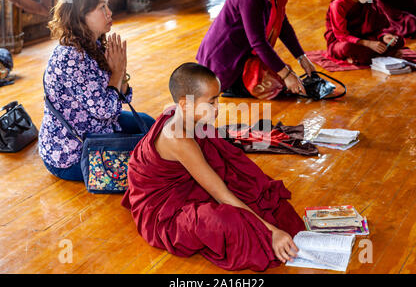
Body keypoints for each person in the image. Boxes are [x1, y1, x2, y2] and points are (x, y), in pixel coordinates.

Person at [121, 63, 306, 271]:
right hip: (163, 212)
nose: (218, 108)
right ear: (185, 104)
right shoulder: (179, 139)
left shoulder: (183, 114)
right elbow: (221, 194)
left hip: (189, 186)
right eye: (211, 102)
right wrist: (271, 232)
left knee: (255, 189)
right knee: (227, 222)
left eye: (217, 98)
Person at [38, 0, 155, 181]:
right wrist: (117, 72)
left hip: (100, 127)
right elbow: (105, 110)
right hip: (73, 154)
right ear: (81, 15)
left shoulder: (94, 44)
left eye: (107, 5)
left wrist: (121, 71)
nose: (110, 12)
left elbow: (123, 99)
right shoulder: (70, 58)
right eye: (102, 7)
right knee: (150, 160)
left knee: (150, 125)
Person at [196, 0, 316, 100]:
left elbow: (283, 27)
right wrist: (287, 75)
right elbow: (258, 42)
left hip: (243, 57)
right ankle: (231, 86)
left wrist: (302, 58)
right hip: (224, 62)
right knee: (278, 83)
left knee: (283, 77)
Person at [325, 0, 405, 66]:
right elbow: (341, 36)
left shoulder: (369, 2)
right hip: (344, 42)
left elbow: (380, 26)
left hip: (366, 38)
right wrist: (368, 44)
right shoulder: (339, 5)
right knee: (347, 48)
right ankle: (384, 55)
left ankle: (367, 56)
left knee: (398, 40)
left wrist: (384, 36)